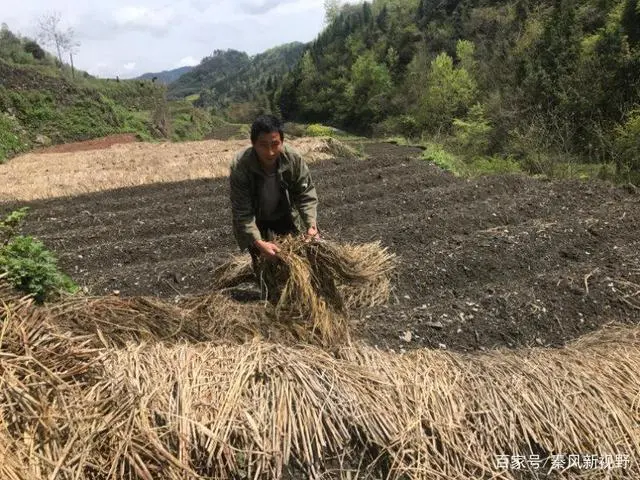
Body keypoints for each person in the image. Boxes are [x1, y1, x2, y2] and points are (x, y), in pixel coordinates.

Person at [229, 114, 319, 271]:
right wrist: (258, 242)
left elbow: (305, 194)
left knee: (295, 261)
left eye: (275, 144)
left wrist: (311, 225)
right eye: (263, 145)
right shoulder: (241, 166)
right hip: (256, 219)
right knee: (263, 264)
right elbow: (242, 212)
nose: (270, 152)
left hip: (284, 214)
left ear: (282, 142)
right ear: (253, 144)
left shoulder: (293, 159)